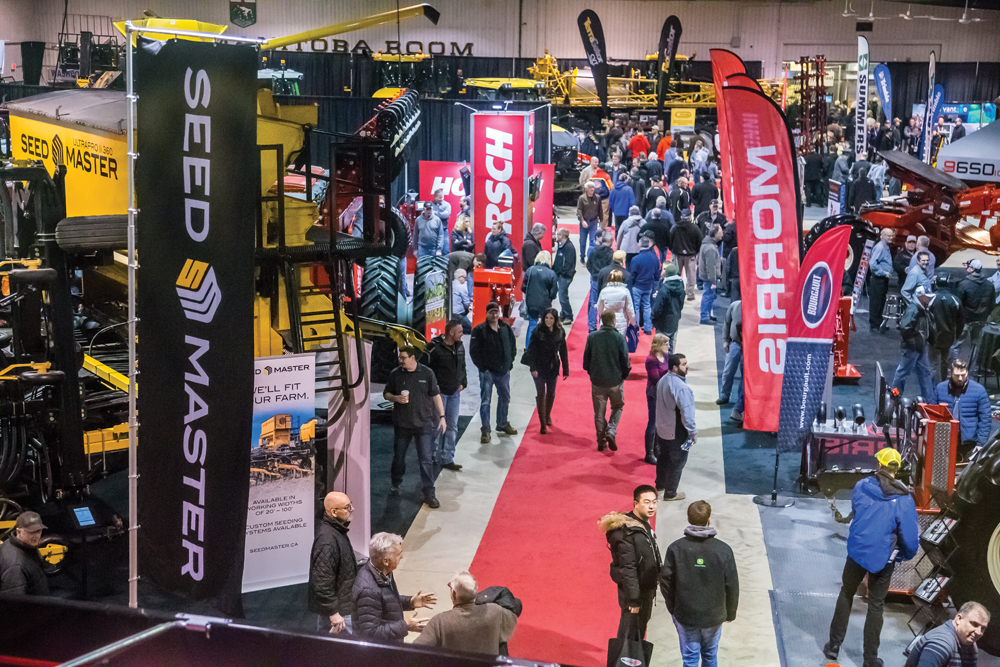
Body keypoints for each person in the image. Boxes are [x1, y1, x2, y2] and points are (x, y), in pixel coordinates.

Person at [824, 447, 919, 667]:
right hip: (882, 559)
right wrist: (902, 555)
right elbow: (911, 539)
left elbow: (857, 514)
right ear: (898, 469)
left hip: (856, 552)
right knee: (876, 605)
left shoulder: (861, 486)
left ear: (879, 465)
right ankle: (869, 660)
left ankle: (833, 646)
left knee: (846, 593)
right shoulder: (903, 499)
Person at [660, 500, 739, 667]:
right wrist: (730, 613)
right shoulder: (723, 550)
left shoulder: (676, 548)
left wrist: (673, 607)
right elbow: (731, 584)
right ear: (709, 519)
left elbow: (665, 581)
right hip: (713, 615)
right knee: (710, 657)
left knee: (689, 659)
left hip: (685, 614)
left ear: (688, 518)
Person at [383, 346, 447, 508]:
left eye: (403, 357)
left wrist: (442, 417)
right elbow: (386, 394)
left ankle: (429, 493)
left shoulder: (427, 373)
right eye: (400, 357)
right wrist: (396, 398)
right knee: (399, 458)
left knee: (426, 460)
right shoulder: (395, 374)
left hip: (424, 424)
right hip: (402, 424)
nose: (400, 360)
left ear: (412, 358)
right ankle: (396, 483)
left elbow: (435, 395)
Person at [600, 485, 663, 640]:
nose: (651, 506)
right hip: (634, 595)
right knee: (628, 636)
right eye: (646, 502)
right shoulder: (627, 533)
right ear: (635, 504)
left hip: (646, 590)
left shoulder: (642, 525)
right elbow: (628, 568)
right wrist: (634, 600)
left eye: (654, 502)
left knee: (638, 632)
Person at [352, 532, 437, 644]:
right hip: (378, 655)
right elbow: (370, 633)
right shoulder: (368, 591)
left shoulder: (383, 572)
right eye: (398, 554)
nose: (401, 557)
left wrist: (410, 602)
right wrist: (405, 626)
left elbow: (386, 600)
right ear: (386, 561)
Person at [413, 571, 518, 655]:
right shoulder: (495, 611)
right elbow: (512, 619)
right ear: (476, 592)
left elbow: (415, 653)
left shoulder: (439, 622)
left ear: (453, 594)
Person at [309, 492, 359, 635]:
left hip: (343, 608)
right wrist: (333, 613)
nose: (352, 509)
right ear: (334, 512)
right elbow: (321, 581)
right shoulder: (327, 541)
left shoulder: (336, 531)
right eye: (347, 507)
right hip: (338, 614)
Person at [422, 320, 468, 471]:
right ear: (451, 333)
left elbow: (463, 365)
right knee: (436, 425)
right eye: (460, 332)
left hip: (455, 392)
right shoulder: (434, 347)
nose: (462, 334)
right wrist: (431, 389)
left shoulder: (460, 346)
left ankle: (448, 458)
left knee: (452, 426)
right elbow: (423, 368)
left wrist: (463, 382)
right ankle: (433, 456)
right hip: (439, 394)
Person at [583, 310, 631, 452]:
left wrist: (592, 373)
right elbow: (625, 361)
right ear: (614, 321)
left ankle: (601, 440)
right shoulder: (619, 338)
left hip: (597, 381)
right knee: (618, 406)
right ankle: (611, 430)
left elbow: (586, 362)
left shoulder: (592, 337)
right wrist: (623, 375)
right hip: (615, 381)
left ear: (601, 320)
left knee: (599, 413)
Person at [470, 302, 518, 444]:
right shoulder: (479, 330)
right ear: (486, 314)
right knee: (486, 401)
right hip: (487, 372)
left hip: (503, 371)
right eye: (491, 312)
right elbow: (474, 351)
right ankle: (485, 429)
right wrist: (482, 368)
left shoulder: (505, 328)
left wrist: (510, 362)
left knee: (505, 397)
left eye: (496, 312)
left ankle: (502, 423)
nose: (494, 315)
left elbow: (512, 345)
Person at [655, 353, 696, 501]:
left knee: (663, 458)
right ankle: (671, 493)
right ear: (674, 367)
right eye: (684, 365)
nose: (687, 367)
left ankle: (660, 485)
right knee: (678, 461)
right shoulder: (681, 388)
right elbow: (687, 411)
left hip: (662, 429)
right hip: (676, 431)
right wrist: (692, 432)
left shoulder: (663, 380)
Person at [522, 308, 569, 435]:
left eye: (551, 318)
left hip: (553, 367)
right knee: (541, 394)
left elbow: (563, 351)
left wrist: (565, 368)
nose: (548, 320)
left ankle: (547, 414)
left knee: (551, 394)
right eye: (546, 318)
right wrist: (533, 368)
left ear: (555, 320)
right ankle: (542, 422)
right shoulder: (538, 332)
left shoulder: (560, 332)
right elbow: (531, 351)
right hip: (539, 366)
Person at [933, 359, 991, 460]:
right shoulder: (940, 388)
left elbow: (985, 420)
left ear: (967, 372)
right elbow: (932, 415)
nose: (960, 378)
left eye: (963, 375)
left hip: (969, 444)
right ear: (951, 373)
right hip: (944, 443)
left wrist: (980, 443)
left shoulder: (979, 390)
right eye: (956, 375)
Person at [904, 601, 989, 667]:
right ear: (959, 619)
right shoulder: (940, 644)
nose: (979, 632)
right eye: (974, 624)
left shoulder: (971, 646)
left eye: (983, 628)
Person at [891, 286, 936, 400]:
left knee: (924, 372)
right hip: (914, 347)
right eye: (927, 297)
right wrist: (914, 343)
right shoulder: (914, 309)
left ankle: (928, 399)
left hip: (920, 346)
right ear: (920, 296)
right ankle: (894, 396)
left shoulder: (920, 308)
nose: (929, 299)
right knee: (903, 373)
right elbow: (905, 328)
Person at [955, 258, 995, 365]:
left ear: (971, 268)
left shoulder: (964, 284)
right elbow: (992, 304)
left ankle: (954, 369)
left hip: (965, 320)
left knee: (957, 344)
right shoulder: (989, 285)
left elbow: (958, 304)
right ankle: (971, 371)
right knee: (975, 345)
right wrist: (984, 315)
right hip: (981, 320)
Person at [0, 511, 49, 596]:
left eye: (39, 531)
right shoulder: (15, 567)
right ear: (18, 532)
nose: (36, 536)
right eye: (31, 532)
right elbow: (15, 604)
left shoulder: (13, 542)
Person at [927, 276, 964, 384]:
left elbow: (924, 317)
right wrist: (957, 335)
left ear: (936, 283)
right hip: (948, 336)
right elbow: (960, 321)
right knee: (945, 362)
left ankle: (932, 388)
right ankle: (943, 384)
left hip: (932, 337)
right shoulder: (955, 299)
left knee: (933, 364)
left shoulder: (930, 298)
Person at [644, 333, 672, 465]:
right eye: (666, 344)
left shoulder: (666, 356)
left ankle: (657, 448)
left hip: (664, 393)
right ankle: (649, 453)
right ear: (659, 345)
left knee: (660, 422)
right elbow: (656, 379)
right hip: (654, 394)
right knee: (653, 422)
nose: (668, 346)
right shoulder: (651, 360)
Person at [522, 250, 558, 349]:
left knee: (532, 324)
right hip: (545, 304)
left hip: (531, 303)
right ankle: (542, 348)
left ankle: (528, 348)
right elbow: (554, 292)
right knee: (545, 326)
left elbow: (523, 287)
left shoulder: (530, 270)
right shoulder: (551, 273)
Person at [630, 236, 661, 335]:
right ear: (649, 244)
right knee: (647, 306)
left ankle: (637, 328)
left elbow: (632, 274)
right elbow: (657, 273)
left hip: (637, 286)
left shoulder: (636, 259)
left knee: (636, 308)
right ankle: (648, 328)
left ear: (639, 244)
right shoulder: (655, 258)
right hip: (648, 286)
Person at [652, 263, 686, 354]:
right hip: (674, 320)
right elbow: (681, 304)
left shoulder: (664, 289)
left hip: (663, 323)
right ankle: (670, 366)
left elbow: (657, 308)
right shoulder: (681, 286)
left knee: (660, 349)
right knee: (670, 346)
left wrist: (653, 319)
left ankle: (663, 367)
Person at [717, 300, 743, 408]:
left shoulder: (758, 307)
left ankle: (740, 402)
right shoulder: (735, 305)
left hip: (749, 345)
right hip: (735, 343)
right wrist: (725, 340)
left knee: (745, 374)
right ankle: (724, 395)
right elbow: (727, 323)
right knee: (728, 371)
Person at [867, 229, 895, 331]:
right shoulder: (880, 248)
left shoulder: (886, 246)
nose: (891, 238)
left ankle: (878, 322)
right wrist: (883, 272)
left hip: (883, 279)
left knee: (881, 301)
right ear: (882, 236)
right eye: (889, 236)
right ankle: (874, 324)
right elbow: (873, 264)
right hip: (878, 279)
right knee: (876, 302)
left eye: (892, 236)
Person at [587, 230, 615, 331]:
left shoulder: (594, 251)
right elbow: (612, 267)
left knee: (594, 303)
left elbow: (588, 265)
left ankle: (592, 326)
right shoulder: (611, 253)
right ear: (610, 241)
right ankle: (603, 323)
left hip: (595, 279)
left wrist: (594, 273)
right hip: (606, 282)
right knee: (605, 303)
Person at [672, 209, 702, 301]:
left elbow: (670, 238)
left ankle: (675, 292)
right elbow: (700, 241)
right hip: (690, 255)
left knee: (676, 274)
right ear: (690, 216)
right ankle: (690, 294)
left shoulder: (675, 227)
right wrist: (695, 251)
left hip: (677, 254)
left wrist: (673, 249)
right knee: (691, 275)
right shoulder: (695, 228)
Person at [597, 269, 637, 338]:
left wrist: (602, 316)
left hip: (607, 321)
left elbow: (599, 307)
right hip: (622, 322)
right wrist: (633, 322)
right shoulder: (625, 291)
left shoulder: (604, 291)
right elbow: (629, 309)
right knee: (620, 341)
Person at [551, 228, 577, 325]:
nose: (556, 236)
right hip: (560, 275)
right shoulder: (561, 246)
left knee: (562, 296)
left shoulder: (569, 248)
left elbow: (568, 264)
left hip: (565, 276)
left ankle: (568, 315)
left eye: (558, 235)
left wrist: (561, 273)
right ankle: (563, 314)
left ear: (563, 236)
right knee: (562, 295)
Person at [698, 224, 722, 325]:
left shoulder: (707, 244)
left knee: (709, 296)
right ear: (715, 234)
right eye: (720, 233)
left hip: (707, 277)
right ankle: (704, 316)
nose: (721, 236)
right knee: (707, 296)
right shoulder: (710, 248)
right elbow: (711, 267)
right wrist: (713, 280)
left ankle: (707, 315)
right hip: (709, 278)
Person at [577, 181, 604, 260]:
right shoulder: (582, 198)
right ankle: (582, 256)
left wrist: (601, 222)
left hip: (594, 222)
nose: (592, 189)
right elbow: (579, 211)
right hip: (584, 222)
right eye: (590, 187)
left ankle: (591, 258)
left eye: (593, 187)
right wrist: (582, 221)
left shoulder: (598, 198)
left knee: (593, 241)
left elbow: (600, 210)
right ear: (586, 189)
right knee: (582, 242)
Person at [451, 269, 472, 333]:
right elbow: (466, 302)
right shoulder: (461, 287)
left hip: (451, 312)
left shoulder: (451, 284)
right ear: (460, 277)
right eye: (465, 278)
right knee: (472, 328)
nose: (465, 280)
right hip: (459, 314)